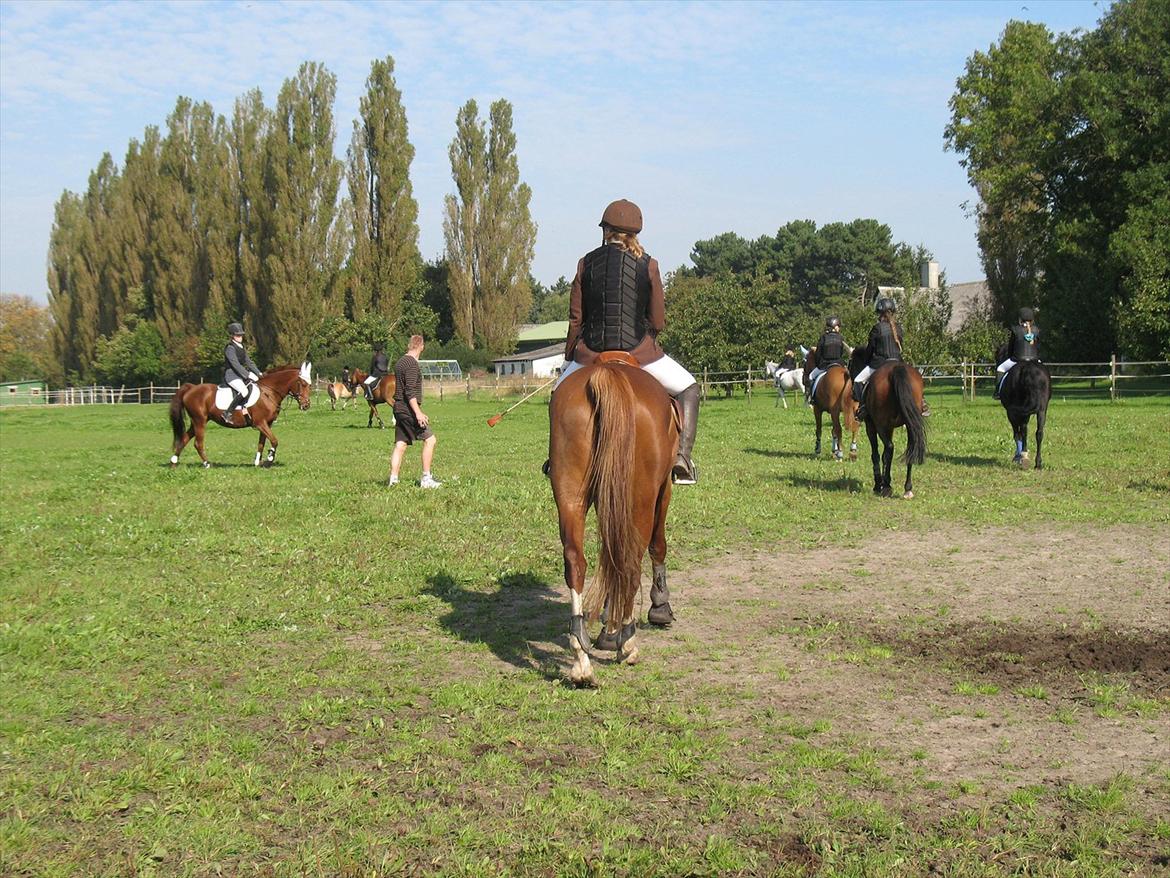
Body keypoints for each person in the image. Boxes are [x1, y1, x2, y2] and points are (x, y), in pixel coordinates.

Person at [554, 199, 701, 484]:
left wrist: (570, 356)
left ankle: (557, 458)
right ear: (635, 233)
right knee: (689, 387)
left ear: (606, 230)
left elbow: (575, 320)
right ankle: (682, 458)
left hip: (590, 354)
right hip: (640, 352)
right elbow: (658, 321)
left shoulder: (585, 263)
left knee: (560, 396)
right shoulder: (649, 265)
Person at [852, 297, 931, 421]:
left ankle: (863, 408)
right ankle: (922, 401)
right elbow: (901, 347)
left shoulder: (877, 328)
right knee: (914, 377)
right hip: (898, 361)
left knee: (857, 380)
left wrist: (867, 361)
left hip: (879, 363)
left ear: (880, 313)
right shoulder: (898, 327)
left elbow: (870, 349)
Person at [388, 334, 440, 488]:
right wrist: (418, 413)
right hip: (408, 409)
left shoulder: (400, 362)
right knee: (430, 440)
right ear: (421, 346)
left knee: (401, 444)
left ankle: (393, 480)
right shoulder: (411, 364)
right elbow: (410, 392)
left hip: (398, 408)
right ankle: (426, 479)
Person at [994, 307, 1041, 399]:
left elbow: (1011, 346)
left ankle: (998, 392)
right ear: (1032, 319)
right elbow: (1038, 346)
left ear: (1020, 319)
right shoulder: (1036, 330)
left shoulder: (1015, 329)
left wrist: (1010, 356)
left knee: (1000, 368)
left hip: (1018, 359)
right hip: (1034, 360)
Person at [805, 317, 850, 404]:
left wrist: (818, 363)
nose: (839, 328)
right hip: (839, 363)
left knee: (811, 376)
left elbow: (818, 353)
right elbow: (841, 352)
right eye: (838, 326)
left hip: (825, 364)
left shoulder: (823, 337)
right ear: (835, 326)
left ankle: (813, 398)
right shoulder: (840, 338)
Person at [222, 322, 260, 421]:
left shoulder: (241, 347)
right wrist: (248, 375)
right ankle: (227, 412)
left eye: (241, 335)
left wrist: (259, 373)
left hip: (240, 375)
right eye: (237, 335)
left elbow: (249, 362)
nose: (240, 337)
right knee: (244, 391)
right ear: (232, 336)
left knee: (253, 388)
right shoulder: (230, 348)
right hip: (231, 375)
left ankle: (245, 410)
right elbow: (235, 364)